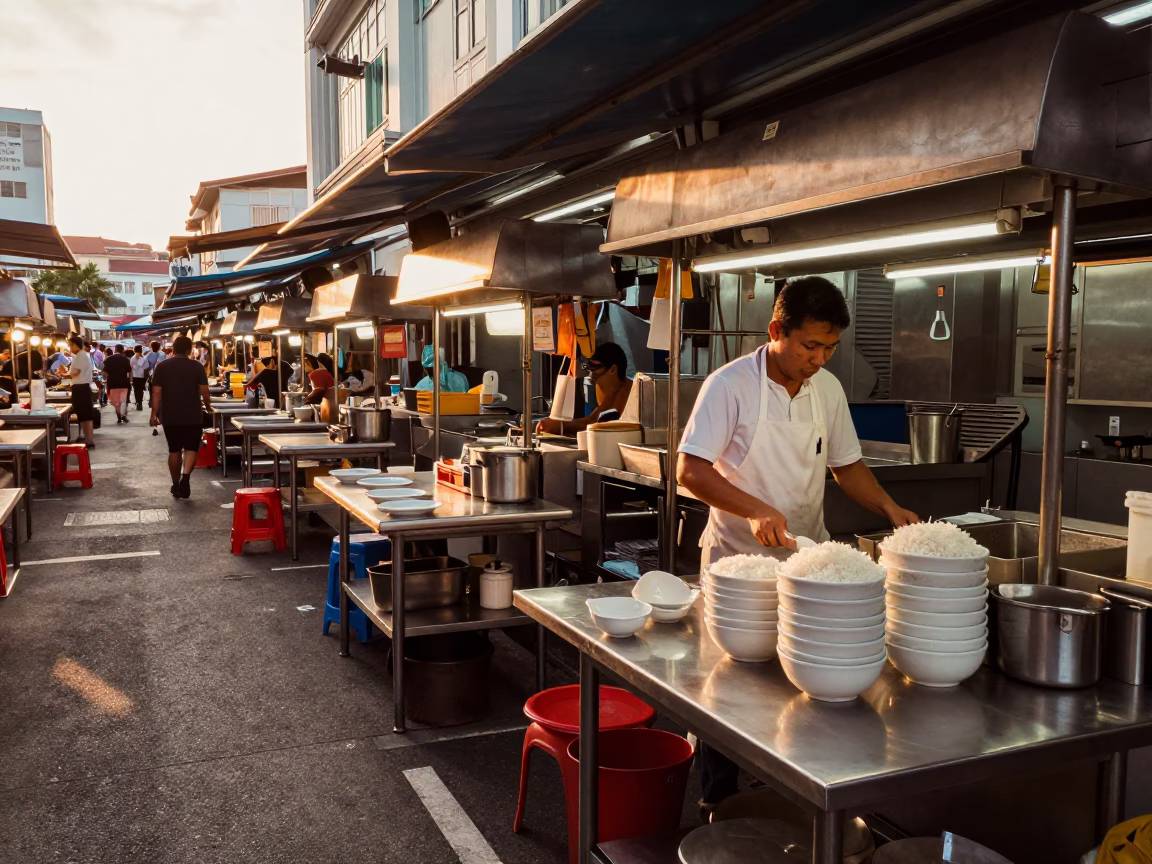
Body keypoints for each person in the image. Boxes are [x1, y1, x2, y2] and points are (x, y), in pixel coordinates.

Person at [677, 276, 919, 810]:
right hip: (739, 565)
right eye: (810, 346)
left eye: (830, 349)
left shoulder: (826, 390)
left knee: (798, 685)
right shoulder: (730, 384)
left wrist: (888, 508)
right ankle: (719, 803)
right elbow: (689, 471)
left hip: (807, 562)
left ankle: (783, 800)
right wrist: (756, 508)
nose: (820, 359)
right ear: (776, 332)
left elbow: (846, 466)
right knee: (731, 693)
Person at [150, 335, 211, 500]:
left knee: (174, 450)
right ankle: (186, 477)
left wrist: (153, 414)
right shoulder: (196, 366)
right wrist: (209, 407)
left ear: (174, 349)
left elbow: (156, 393)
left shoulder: (162, 366)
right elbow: (205, 392)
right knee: (191, 448)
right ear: (189, 349)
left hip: (170, 415)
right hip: (192, 414)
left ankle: (176, 484)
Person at [538, 342, 633, 435]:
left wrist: (560, 426)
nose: (592, 378)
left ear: (613, 370)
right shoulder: (604, 389)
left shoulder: (630, 393)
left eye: (596, 372)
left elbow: (593, 422)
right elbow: (594, 419)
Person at [59, 335, 95, 448]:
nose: (69, 347)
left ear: (75, 345)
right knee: (83, 415)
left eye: (70, 345)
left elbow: (75, 372)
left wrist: (63, 374)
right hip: (80, 387)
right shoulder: (81, 355)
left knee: (86, 415)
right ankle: (87, 439)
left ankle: (89, 440)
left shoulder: (81, 356)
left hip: (81, 388)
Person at [103, 344, 132, 423]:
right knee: (123, 400)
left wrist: (105, 379)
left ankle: (119, 415)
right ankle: (124, 415)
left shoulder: (108, 359)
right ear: (122, 350)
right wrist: (130, 381)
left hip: (112, 383)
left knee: (116, 401)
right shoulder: (126, 359)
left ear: (115, 350)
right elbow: (130, 371)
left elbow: (104, 372)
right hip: (124, 383)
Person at [130, 345, 149, 410]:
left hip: (135, 376)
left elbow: (130, 368)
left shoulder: (132, 358)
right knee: (141, 390)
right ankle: (140, 403)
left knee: (136, 390)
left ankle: (138, 402)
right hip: (142, 376)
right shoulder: (144, 358)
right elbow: (146, 368)